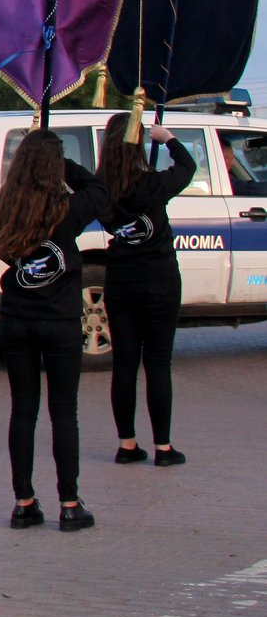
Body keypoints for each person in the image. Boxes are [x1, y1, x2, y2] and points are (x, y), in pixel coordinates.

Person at [0, 128, 110, 533]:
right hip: (58, 319)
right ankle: (69, 503)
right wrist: (65, 166)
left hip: (17, 317)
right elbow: (100, 189)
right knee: (63, 413)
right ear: (55, 166)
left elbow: (4, 251)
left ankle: (23, 502)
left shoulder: (4, 205)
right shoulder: (66, 208)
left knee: (23, 410)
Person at [99, 115, 195, 467]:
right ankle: (163, 447)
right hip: (159, 280)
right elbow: (187, 167)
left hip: (121, 280)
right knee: (158, 363)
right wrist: (168, 138)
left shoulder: (102, 189)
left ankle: (127, 444)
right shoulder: (152, 184)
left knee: (124, 363)